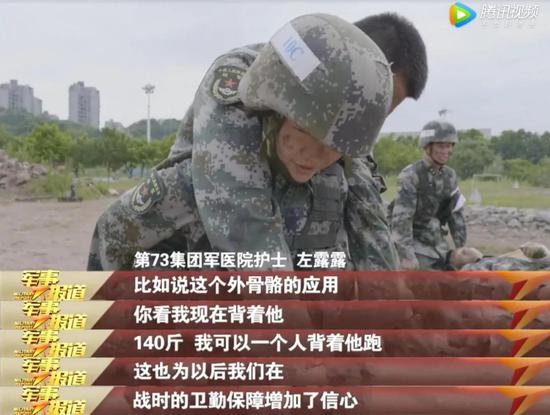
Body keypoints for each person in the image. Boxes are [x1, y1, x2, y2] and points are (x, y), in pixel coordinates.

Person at [87, 13, 428, 271]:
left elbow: (369, 218)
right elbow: (242, 215)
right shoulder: (246, 76)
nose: (315, 153)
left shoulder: (338, 138)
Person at [391, 119, 467, 270]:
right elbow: (402, 220)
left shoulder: (450, 176)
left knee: (472, 260)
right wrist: (407, 256)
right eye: (440, 146)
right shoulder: (411, 175)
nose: (445, 151)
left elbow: (456, 215)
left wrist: (461, 249)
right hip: (414, 244)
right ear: (427, 147)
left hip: (437, 243)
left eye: (449, 146)